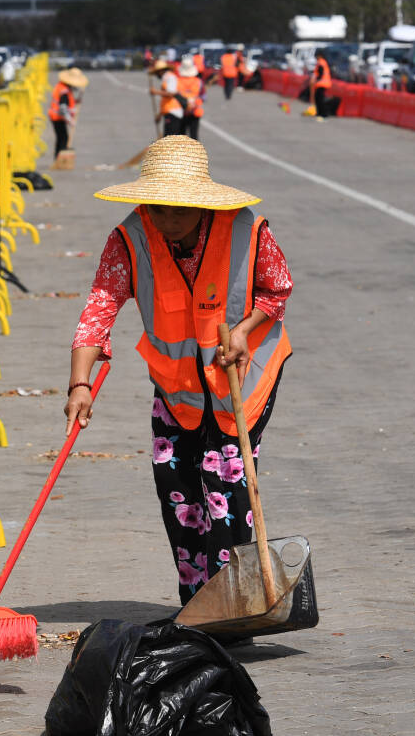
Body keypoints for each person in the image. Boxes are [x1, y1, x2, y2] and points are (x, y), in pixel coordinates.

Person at [65, 135, 292, 605]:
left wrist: (244, 329)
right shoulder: (129, 239)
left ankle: (237, 604)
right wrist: (80, 383)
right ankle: (198, 604)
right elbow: (98, 310)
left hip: (241, 382)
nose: (167, 220)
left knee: (225, 488)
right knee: (178, 489)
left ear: (203, 204)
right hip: (176, 388)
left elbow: (277, 289)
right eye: (158, 208)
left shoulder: (247, 230)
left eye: (178, 209)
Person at [48, 67, 88, 157]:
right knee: (63, 138)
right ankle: (60, 156)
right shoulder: (64, 91)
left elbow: (68, 103)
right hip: (57, 117)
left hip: (56, 116)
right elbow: (63, 108)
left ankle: (58, 155)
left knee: (61, 137)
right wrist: (70, 120)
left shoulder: (62, 86)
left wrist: (76, 101)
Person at [148, 60, 182, 137]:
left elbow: (171, 93)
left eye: (157, 72)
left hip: (173, 112)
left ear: (160, 71)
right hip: (168, 111)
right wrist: (160, 115)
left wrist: (155, 92)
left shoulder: (170, 77)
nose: (156, 75)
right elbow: (165, 101)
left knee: (170, 141)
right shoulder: (166, 78)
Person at [176, 59, 204, 140]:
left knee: (181, 135)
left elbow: (175, 95)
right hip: (195, 111)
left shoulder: (177, 81)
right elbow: (203, 96)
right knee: (194, 135)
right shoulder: (198, 81)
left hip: (181, 111)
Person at [311, 48, 334, 120]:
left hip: (322, 83)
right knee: (318, 99)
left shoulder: (321, 62)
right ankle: (319, 113)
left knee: (320, 99)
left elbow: (320, 73)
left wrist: (316, 79)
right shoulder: (322, 62)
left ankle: (323, 114)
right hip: (321, 83)